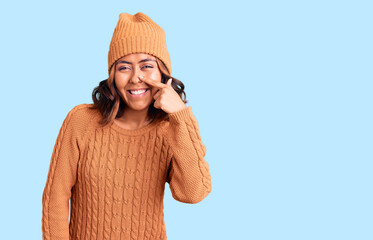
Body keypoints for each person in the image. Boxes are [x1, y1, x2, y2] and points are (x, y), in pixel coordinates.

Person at [41, 12, 212, 240]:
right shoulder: (80, 121)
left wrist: (181, 116)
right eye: (124, 67)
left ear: (163, 73)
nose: (136, 77)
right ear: (112, 75)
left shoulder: (170, 130)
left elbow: (193, 193)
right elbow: (56, 198)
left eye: (146, 66)